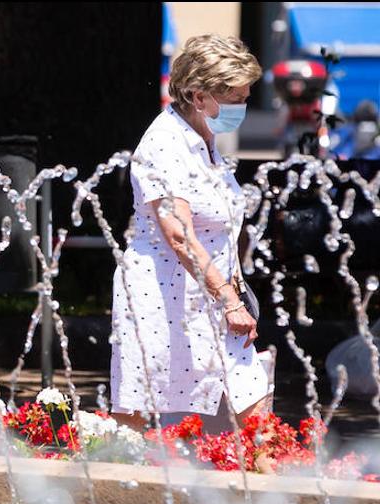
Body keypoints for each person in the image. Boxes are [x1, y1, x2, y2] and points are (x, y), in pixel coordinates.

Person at [110, 34, 272, 432]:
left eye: (245, 97)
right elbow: (178, 234)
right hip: (165, 300)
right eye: (234, 98)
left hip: (215, 297)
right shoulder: (164, 146)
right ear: (199, 97)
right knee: (141, 421)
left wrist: (233, 288)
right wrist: (230, 301)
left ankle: (273, 488)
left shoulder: (204, 141)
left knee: (255, 401)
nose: (242, 107)